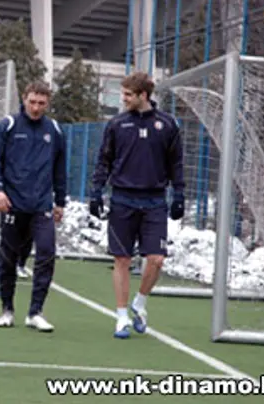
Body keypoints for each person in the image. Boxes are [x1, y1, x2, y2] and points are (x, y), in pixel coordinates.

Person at [89, 71, 185, 339]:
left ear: (143, 95)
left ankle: (140, 303)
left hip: (155, 201)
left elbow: (176, 163)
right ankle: (121, 318)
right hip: (122, 199)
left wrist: (179, 194)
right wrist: (96, 192)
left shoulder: (167, 125)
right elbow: (104, 160)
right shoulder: (117, 124)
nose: (123, 99)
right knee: (122, 259)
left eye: (128, 94)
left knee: (156, 259)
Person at [0, 81, 67, 333]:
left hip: (41, 205)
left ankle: (35, 312)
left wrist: (60, 201)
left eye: (41, 103)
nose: (36, 107)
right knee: (8, 258)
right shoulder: (8, 125)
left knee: (46, 253)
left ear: (48, 103)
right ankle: (7, 309)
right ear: (24, 99)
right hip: (12, 204)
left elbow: (59, 168)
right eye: (32, 102)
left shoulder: (54, 130)